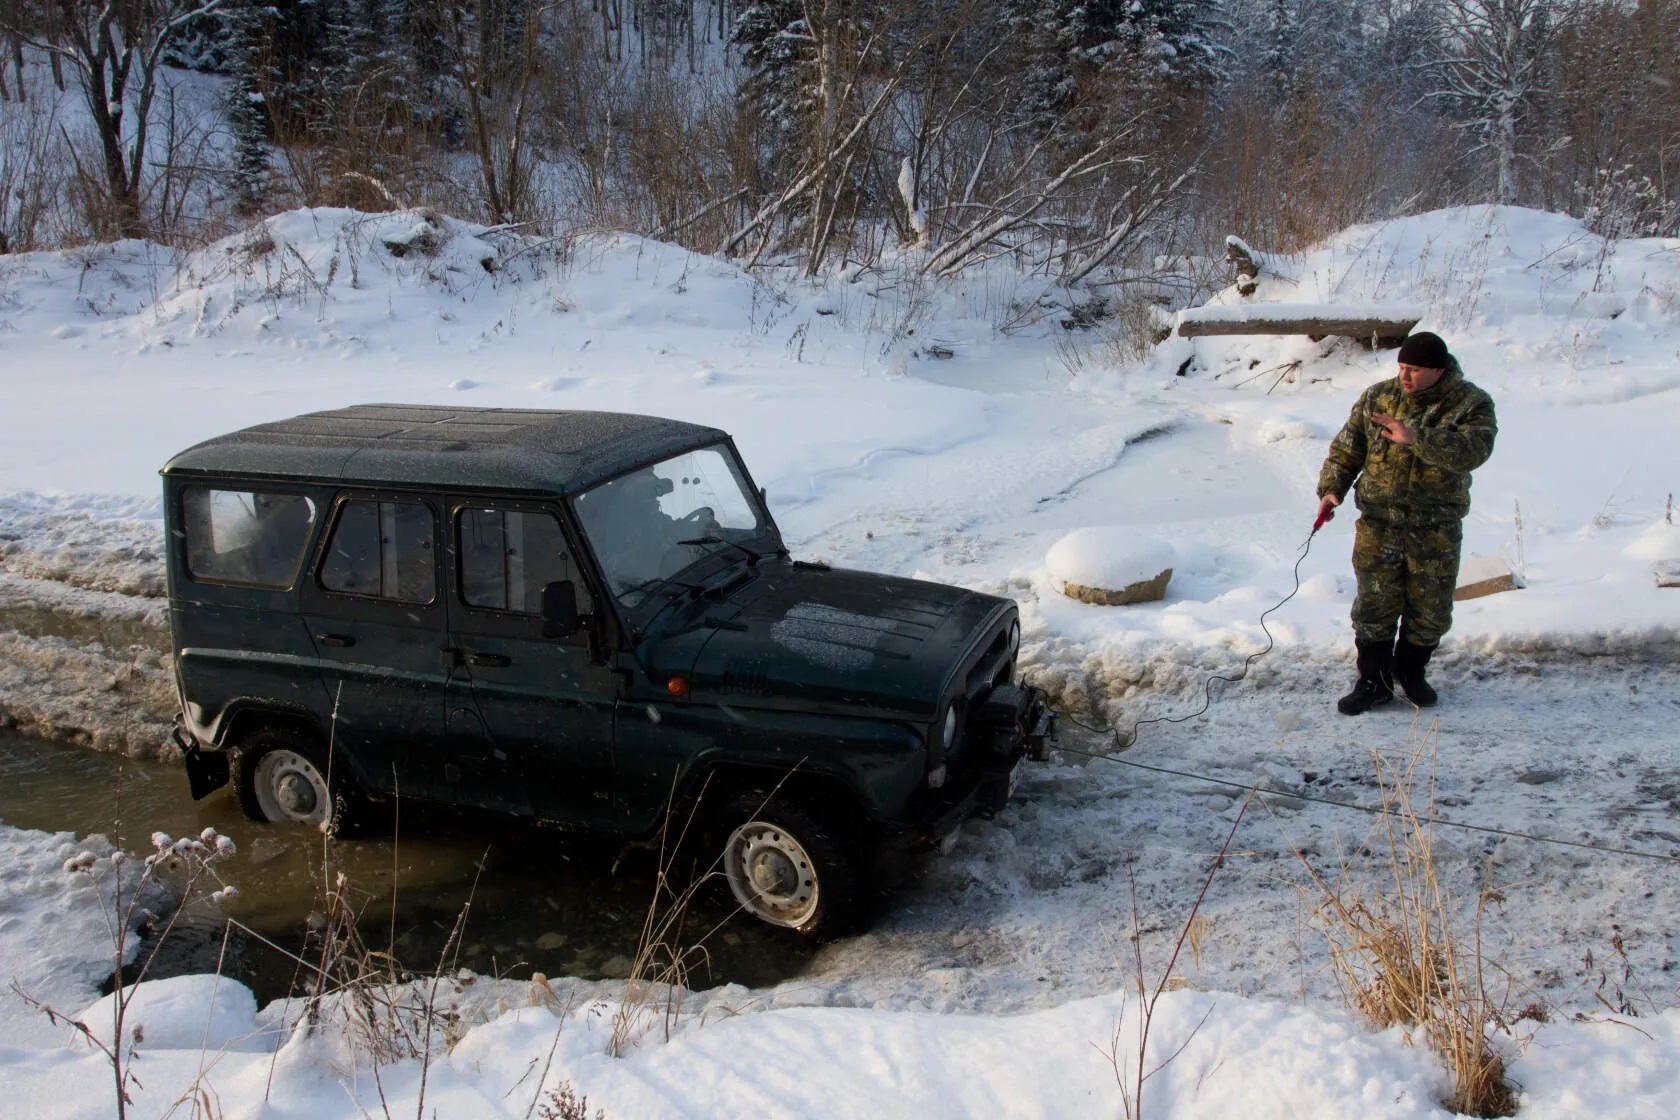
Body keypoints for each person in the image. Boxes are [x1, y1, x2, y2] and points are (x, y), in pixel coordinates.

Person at [1315, 331, 1497, 714]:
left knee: (1430, 610)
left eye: (1413, 370)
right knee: (1374, 606)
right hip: (1379, 524)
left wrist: (1416, 437)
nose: (1405, 377)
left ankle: (1411, 673)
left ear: (1438, 370)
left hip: (1434, 527)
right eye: (1400, 368)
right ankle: (1373, 682)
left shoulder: (1471, 403)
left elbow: (1473, 451)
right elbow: (1348, 448)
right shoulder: (1377, 397)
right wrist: (1332, 490)